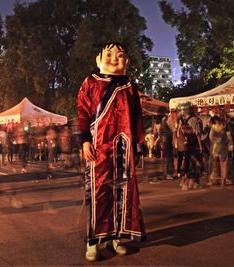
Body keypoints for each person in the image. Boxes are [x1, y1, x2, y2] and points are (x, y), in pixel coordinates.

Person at [77, 42, 146, 262]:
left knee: (123, 193)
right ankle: (94, 242)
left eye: (120, 55)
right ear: (98, 60)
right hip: (99, 148)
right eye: (109, 55)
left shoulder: (130, 87)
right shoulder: (90, 83)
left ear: (127, 62)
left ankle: (118, 238)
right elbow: (83, 113)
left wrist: (139, 144)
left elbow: (136, 119)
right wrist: (85, 141)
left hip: (123, 149)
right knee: (98, 193)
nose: (114, 59)